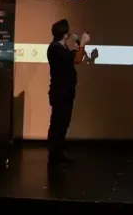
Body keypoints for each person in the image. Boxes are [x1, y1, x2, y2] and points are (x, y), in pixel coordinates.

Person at [46, 18, 92, 165]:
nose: (71, 32)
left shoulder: (61, 47)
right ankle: (55, 155)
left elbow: (75, 57)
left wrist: (79, 44)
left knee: (62, 123)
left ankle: (58, 154)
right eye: (68, 30)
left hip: (65, 92)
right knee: (58, 124)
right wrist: (82, 44)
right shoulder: (55, 49)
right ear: (64, 33)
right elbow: (77, 59)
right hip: (61, 93)